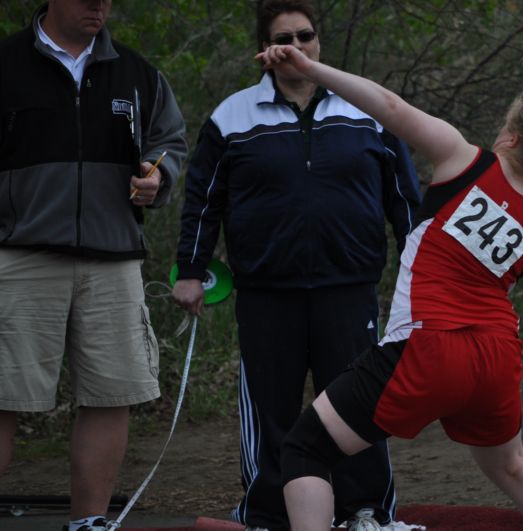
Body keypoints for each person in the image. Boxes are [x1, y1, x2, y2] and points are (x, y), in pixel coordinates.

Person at [256, 43, 523, 531]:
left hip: (431, 344)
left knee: (306, 448)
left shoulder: (464, 159)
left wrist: (311, 69)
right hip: (496, 357)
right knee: (513, 466)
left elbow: (389, 106)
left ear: (512, 134)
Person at [171, 1, 420, 530]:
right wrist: (190, 270)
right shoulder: (231, 115)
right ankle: (269, 515)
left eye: (305, 35)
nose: (296, 46)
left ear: (319, 42)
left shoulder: (367, 109)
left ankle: (365, 512)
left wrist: (425, 274)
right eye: (282, 37)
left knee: (358, 405)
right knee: (271, 412)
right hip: (267, 292)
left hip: (349, 287)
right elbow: (203, 199)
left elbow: (405, 197)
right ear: (264, 50)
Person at [0, 1, 187, 531]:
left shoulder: (138, 73)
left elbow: (168, 143)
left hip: (113, 258)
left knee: (112, 393)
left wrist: (157, 175)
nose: (99, 7)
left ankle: (89, 523)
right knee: (2, 394)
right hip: (20, 256)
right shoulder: (7, 64)